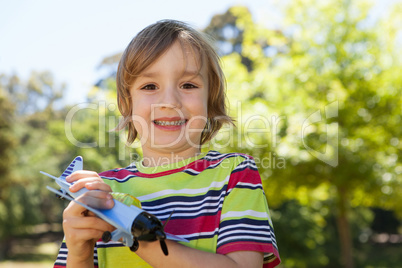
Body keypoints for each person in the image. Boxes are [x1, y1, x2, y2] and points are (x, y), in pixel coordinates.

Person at [54, 19, 280, 268]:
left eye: (188, 85)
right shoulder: (100, 194)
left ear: (211, 99)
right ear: (127, 104)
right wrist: (79, 254)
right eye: (150, 86)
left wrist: (138, 232)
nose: (169, 100)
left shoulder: (234, 174)